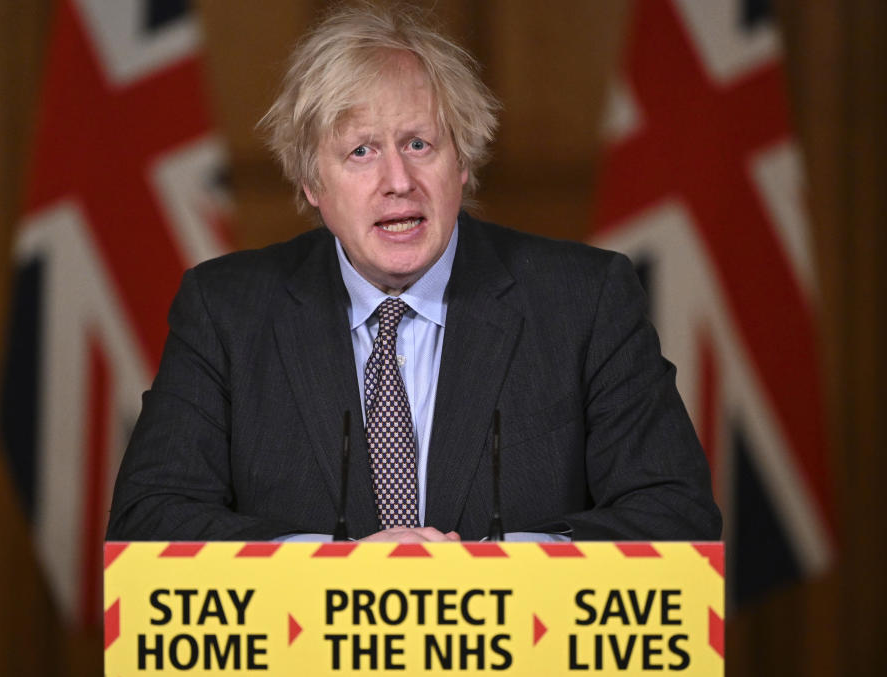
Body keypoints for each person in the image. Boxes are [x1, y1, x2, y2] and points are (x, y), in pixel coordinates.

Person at [106, 3, 721, 544]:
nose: (397, 181)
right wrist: (332, 565)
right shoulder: (226, 312)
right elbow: (149, 520)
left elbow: (675, 514)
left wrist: (495, 568)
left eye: (420, 144)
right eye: (361, 151)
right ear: (311, 183)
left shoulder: (584, 301)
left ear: (463, 163)